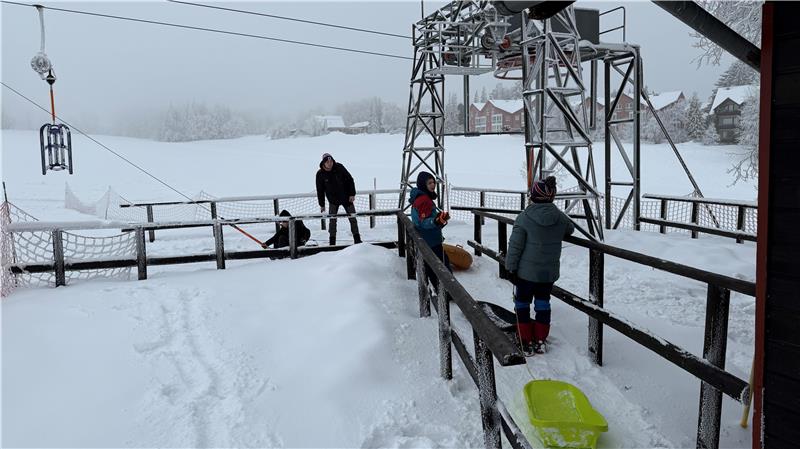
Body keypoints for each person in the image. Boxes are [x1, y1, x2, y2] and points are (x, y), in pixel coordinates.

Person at [504, 176, 574, 354]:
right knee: (543, 303)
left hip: (526, 273)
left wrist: (510, 267)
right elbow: (570, 229)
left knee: (522, 303)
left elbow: (515, 246)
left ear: (533, 196)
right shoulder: (559, 217)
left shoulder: (524, 217)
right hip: (547, 273)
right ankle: (541, 339)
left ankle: (525, 339)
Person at [409, 171, 451, 283]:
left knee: (432, 267)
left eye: (433, 182)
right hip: (431, 241)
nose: (433, 185)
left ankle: (437, 290)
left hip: (425, 239)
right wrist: (436, 221)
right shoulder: (424, 200)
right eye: (429, 183)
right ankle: (446, 292)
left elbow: (422, 219)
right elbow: (424, 222)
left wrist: (439, 219)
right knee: (443, 267)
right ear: (423, 184)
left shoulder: (419, 197)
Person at [316, 153, 361, 245]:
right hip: (333, 201)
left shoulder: (339, 167)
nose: (330, 163)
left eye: (331, 161)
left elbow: (350, 179)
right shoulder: (320, 174)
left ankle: (357, 240)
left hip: (347, 198)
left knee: (353, 218)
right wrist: (322, 204)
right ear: (323, 163)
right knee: (332, 221)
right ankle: (332, 242)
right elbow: (320, 190)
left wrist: (352, 194)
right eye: (327, 162)